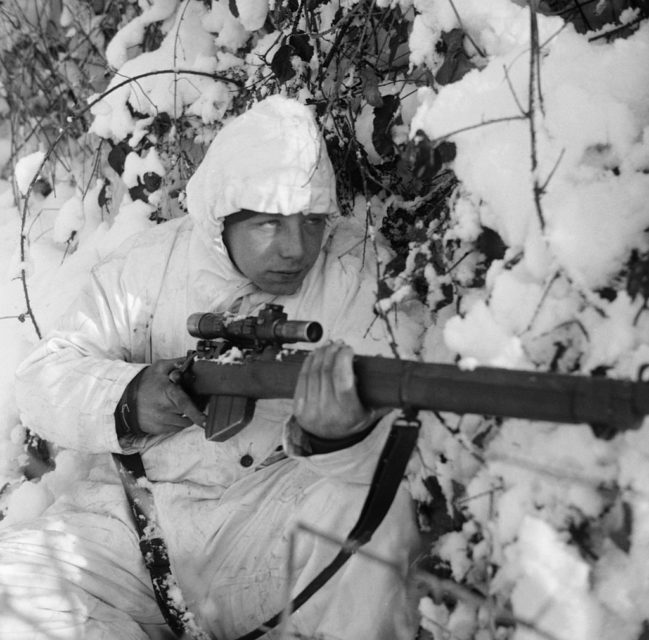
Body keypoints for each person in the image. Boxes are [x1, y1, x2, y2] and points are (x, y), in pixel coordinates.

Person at [0, 96, 423, 640]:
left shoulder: (354, 270)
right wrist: (130, 397)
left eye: (312, 221)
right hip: (125, 526)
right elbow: (42, 378)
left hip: (264, 529)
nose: (297, 248)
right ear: (223, 216)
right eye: (270, 223)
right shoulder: (149, 264)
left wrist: (341, 439)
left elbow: (404, 437)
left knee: (374, 518)